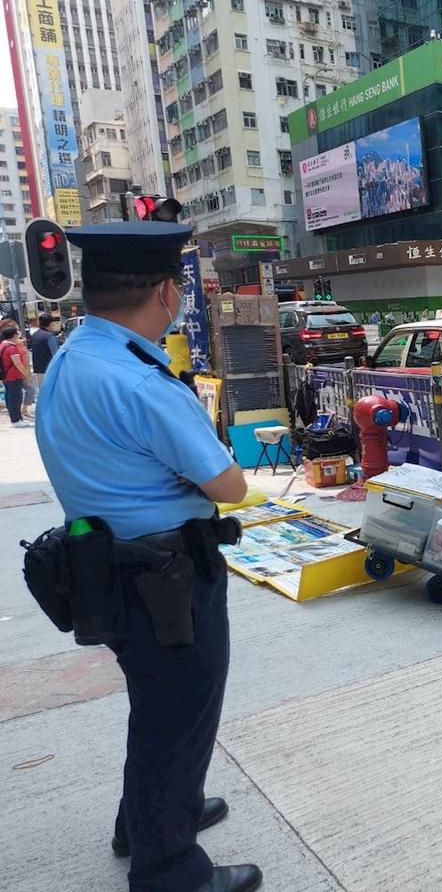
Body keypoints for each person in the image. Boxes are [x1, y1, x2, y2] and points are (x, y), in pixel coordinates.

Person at [35, 223, 261, 892]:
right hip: (167, 577)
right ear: (166, 291)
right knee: (181, 715)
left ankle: (151, 821)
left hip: (110, 570)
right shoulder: (143, 381)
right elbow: (230, 485)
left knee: (158, 708)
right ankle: (170, 870)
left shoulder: (74, 360)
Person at [0, 324, 30, 426]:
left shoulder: (3, 345)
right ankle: (16, 420)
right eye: (17, 333)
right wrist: (25, 374)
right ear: (13, 335)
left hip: (6, 376)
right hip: (14, 376)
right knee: (16, 398)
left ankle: (17, 418)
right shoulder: (11, 348)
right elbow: (17, 363)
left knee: (11, 397)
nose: (18, 335)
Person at [29, 312, 60, 397]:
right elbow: (56, 354)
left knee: (44, 394)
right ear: (50, 324)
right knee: (53, 394)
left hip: (39, 369)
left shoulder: (34, 335)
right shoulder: (49, 336)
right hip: (50, 370)